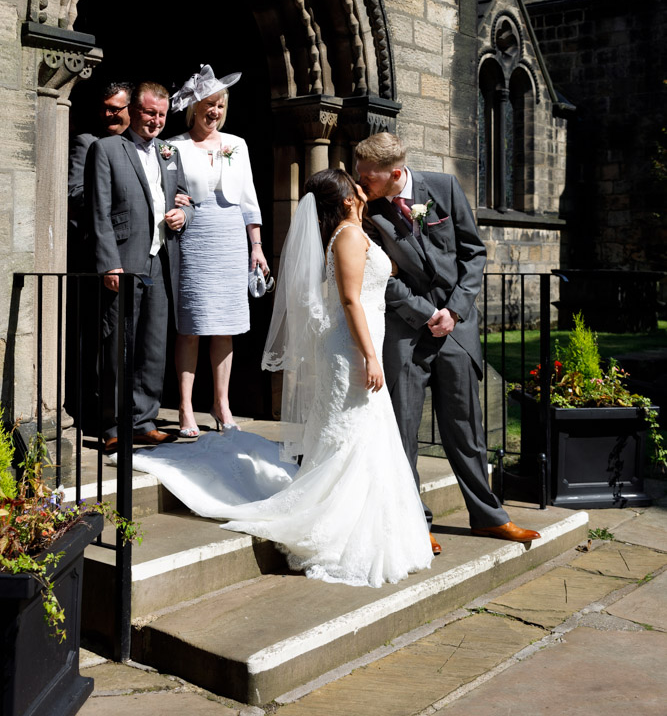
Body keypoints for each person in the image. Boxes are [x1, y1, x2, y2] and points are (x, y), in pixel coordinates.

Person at [131, 169, 433, 587]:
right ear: (346, 200)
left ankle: (375, 525)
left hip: (361, 345)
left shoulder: (356, 230)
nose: (362, 188)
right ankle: (337, 526)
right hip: (351, 350)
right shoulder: (346, 236)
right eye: (354, 185)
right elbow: (349, 300)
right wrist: (369, 356)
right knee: (350, 436)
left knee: (364, 435)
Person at [355, 133, 540, 545]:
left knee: (465, 429)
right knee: (402, 431)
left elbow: (473, 252)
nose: (360, 180)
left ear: (396, 174)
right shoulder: (365, 208)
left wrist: (454, 311)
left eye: (368, 175)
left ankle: (487, 515)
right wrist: (425, 314)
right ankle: (413, 523)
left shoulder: (443, 188)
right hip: (405, 332)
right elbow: (376, 275)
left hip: (456, 329)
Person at [85, 81, 194, 453]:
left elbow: (185, 197)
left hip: (160, 259)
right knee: (118, 342)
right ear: (133, 109)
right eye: (149, 113)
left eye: (162, 115)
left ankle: (144, 421)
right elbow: (98, 213)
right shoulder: (106, 149)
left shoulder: (169, 152)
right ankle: (114, 425)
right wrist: (108, 265)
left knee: (152, 343)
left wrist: (185, 214)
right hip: (124, 258)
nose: (156, 121)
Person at [170, 65, 269, 437]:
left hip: (230, 237)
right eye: (209, 104)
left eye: (220, 105)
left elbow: (249, 199)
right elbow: (164, 191)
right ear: (193, 107)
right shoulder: (174, 146)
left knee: (224, 325)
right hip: (194, 236)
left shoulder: (237, 145)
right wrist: (174, 201)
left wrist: (255, 246)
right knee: (192, 325)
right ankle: (185, 408)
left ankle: (221, 404)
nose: (215, 111)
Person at [68, 80, 134, 254]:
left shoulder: (141, 146)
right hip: (101, 243)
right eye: (103, 109)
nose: (107, 114)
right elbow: (75, 192)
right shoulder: (87, 143)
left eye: (114, 109)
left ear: (132, 108)